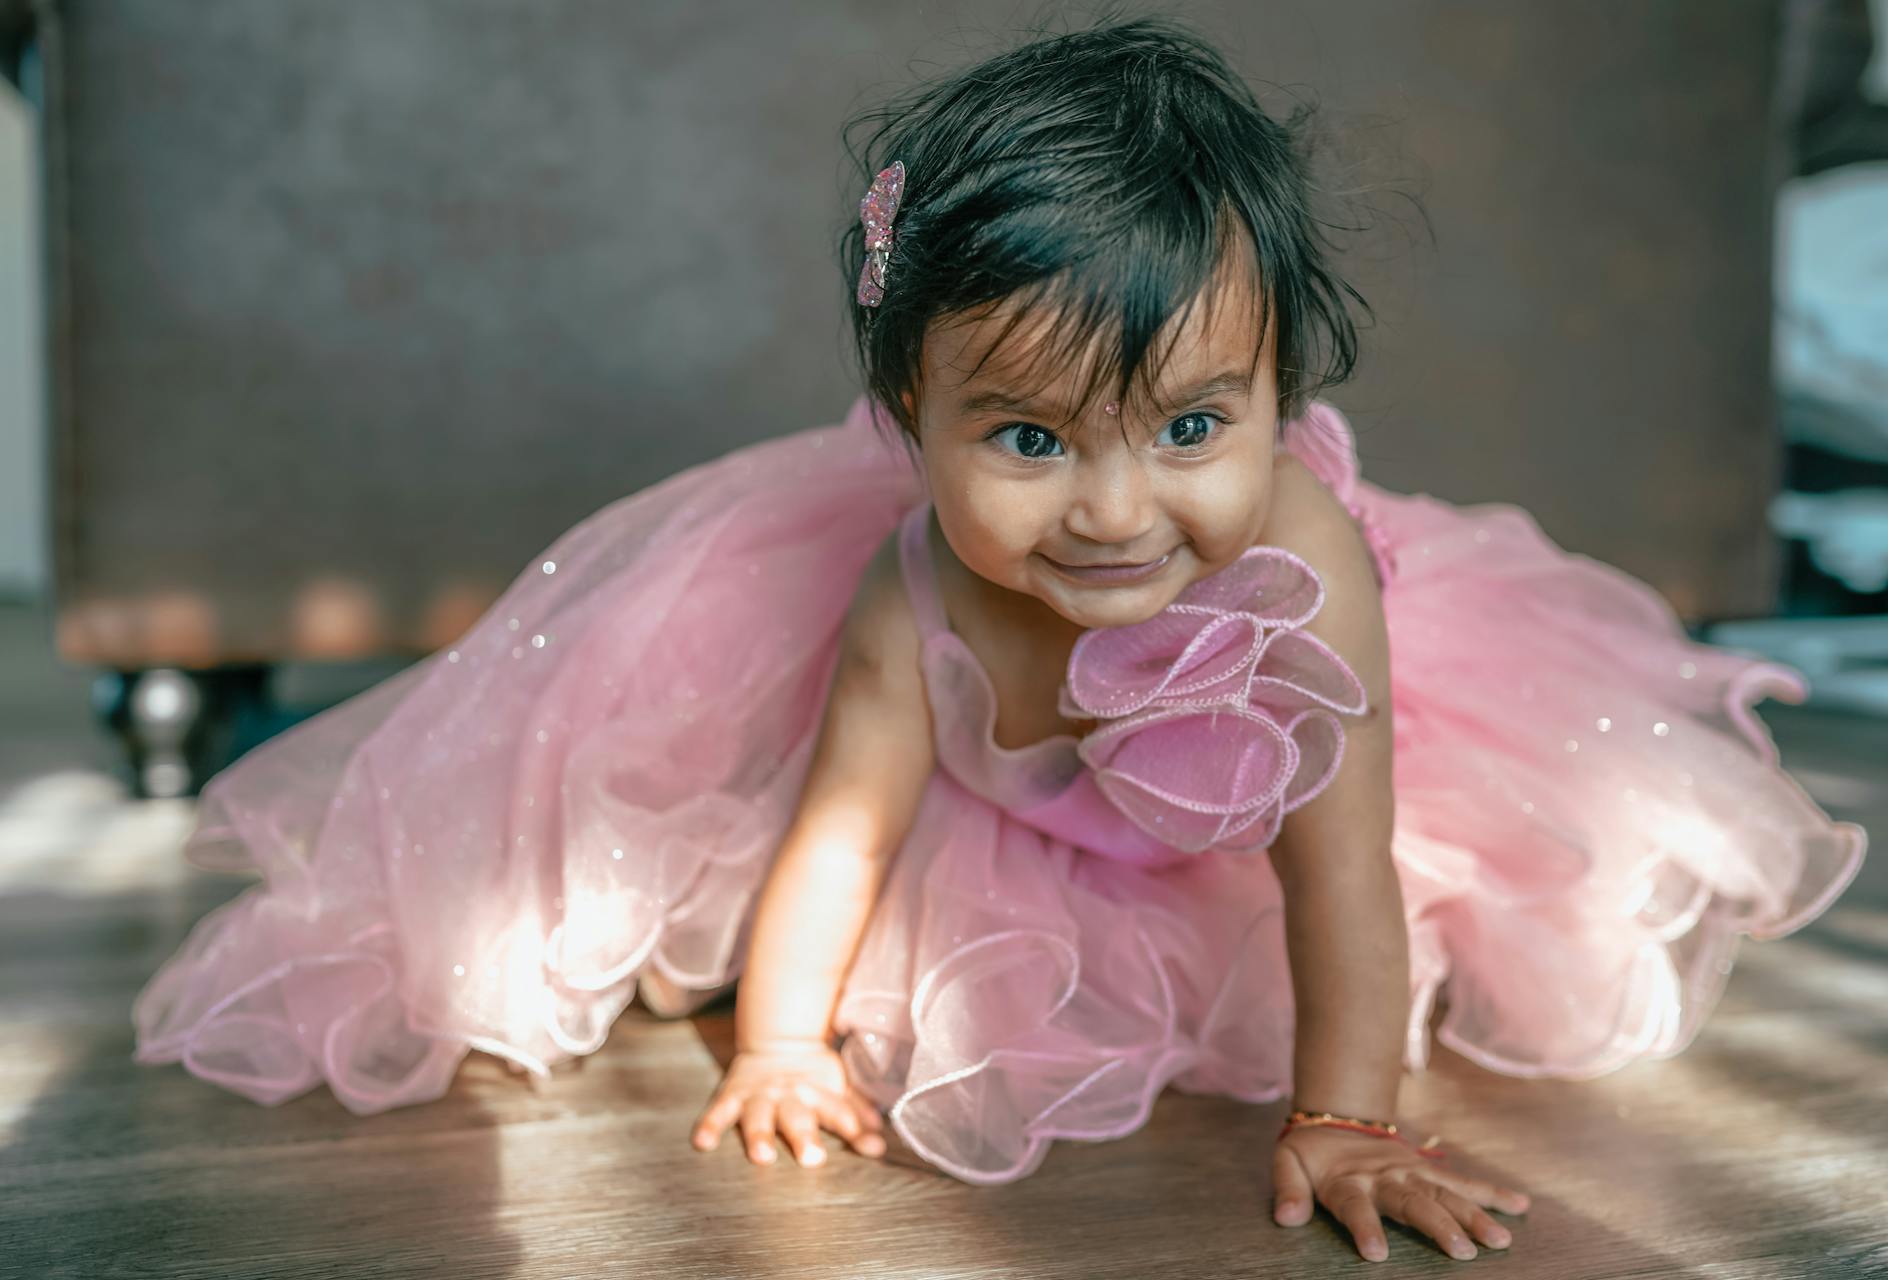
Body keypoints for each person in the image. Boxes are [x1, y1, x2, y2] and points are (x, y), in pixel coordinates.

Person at [131, 16, 1868, 1265]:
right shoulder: (920, 593)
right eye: (1030, 444)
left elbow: (1339, 879)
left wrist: (1345, 1115)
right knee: (738, 924)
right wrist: (786, 1042)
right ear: (911, 416)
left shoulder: (1299, 573)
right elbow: (841, 828)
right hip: (1010, 819)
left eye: (1195, 426)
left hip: (1236, 838)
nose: (1116, 512)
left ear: (1283, 394)